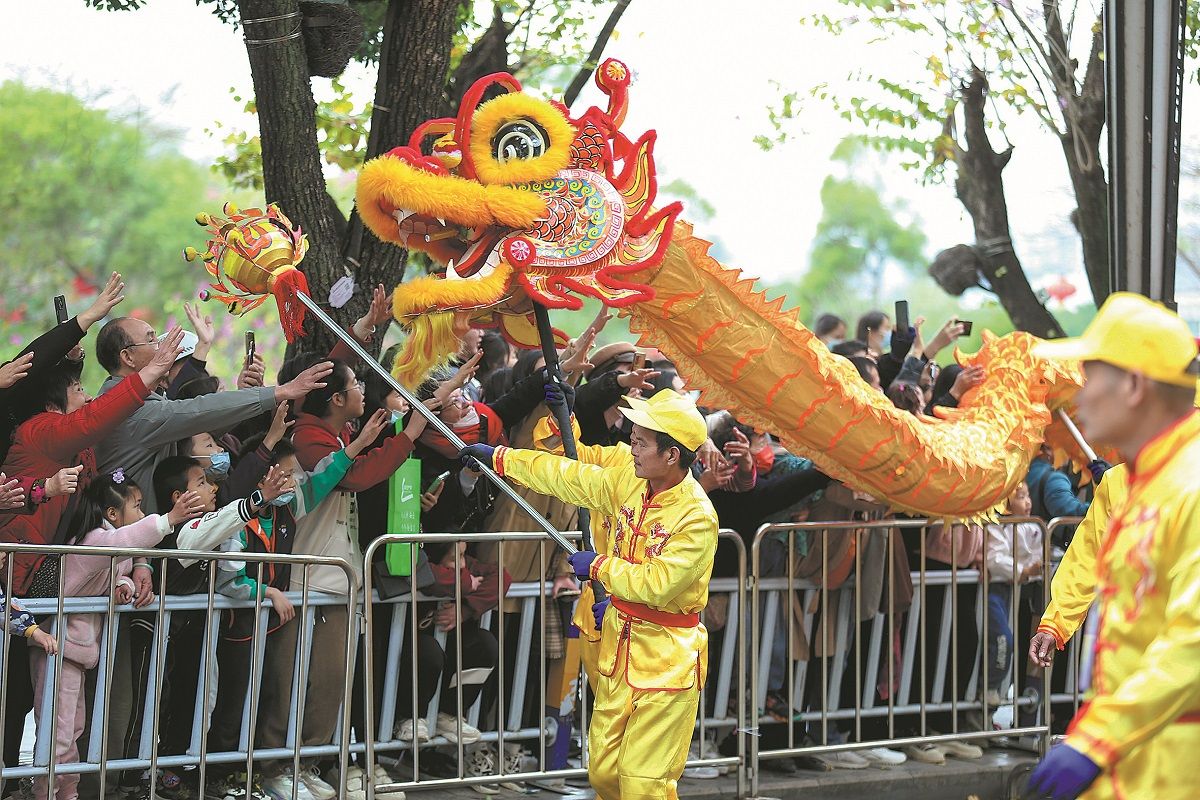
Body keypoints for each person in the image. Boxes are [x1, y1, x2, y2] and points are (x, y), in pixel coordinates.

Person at [460, 389, 717, 800]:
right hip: (618, 649)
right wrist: (501, 459)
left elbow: (657, 583)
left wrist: (598, 567)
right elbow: (567, 475)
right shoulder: (627, 482)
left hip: (668, 662)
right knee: (603, 776)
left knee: (643, 784)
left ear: (672, 455)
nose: (631, 446)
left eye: (641, 441)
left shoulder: (696, 516)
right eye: (633, 438)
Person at [1027, 293, 1200, 800]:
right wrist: (1056, 620)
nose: (1079, 398)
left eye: (1091, 376)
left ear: (1133, 385)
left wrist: (1095, 743)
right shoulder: (1137, 483)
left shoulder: (1190, 486)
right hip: (1138, 769)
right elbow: (1087, 557)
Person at [206, 418, 390, 800]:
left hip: (270, 624)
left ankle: (286, 770)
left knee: (282, 689)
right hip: (238, 629)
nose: (296, 480)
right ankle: (234, 777)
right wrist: (268, 592)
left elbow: (325, 476)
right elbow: (230, 579)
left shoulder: (290, 509)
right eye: (288, 473)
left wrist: (357, 446)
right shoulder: (236, 520)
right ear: (263, 478)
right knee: (241, 702)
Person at [30, 473, 206, 800]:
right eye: (137, 507)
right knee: (59, 735)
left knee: (72, 730)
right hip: (56, 649)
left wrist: (123, 588)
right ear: (112, 514)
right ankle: (46, 794)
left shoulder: (108, 546)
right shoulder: (97, 540)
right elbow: (122, 545)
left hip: (72, 652)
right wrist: (168, 520)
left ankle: (67, 794)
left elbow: (117, 573)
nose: (141, 514)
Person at [980, 483, 1042, 709]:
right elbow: (994, 559)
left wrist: (1032, 569)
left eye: (1027, 496)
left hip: (1009, 591)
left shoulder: (1030, 526)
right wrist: (1023, 571)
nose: (1027, 502)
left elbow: (1035, 556)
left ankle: (990, 704)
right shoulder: (996, 525)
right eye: (1020, 497)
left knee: (1006, 640)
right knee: (1002, 640)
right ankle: (987, 690)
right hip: (991, 591)